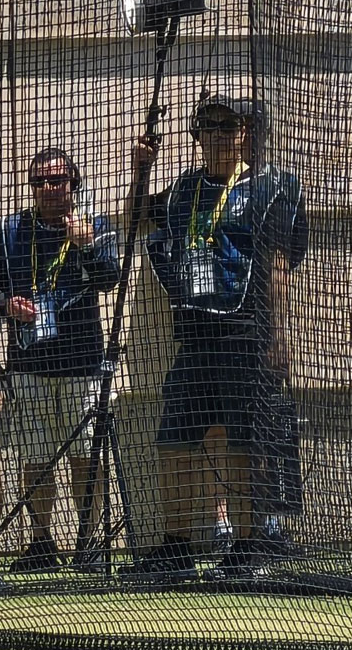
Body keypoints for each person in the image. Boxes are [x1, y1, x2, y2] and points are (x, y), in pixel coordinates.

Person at [127, 93, 308, 580]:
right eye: (205, 127)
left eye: (226, 126)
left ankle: (249, 545)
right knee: (174, 442)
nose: (215, 136)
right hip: (194, 334)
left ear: (248, 133)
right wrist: (142, 168)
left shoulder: (274, 188)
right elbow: (137, 218)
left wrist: (278, 335)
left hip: (244, 334)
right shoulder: (186, 188)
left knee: (243, 443)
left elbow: (279, 266)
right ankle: (176, 545)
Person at [0, 147, 119, 572]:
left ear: (74, 183)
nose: (49, 189)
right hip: (29, 364)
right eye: (40, 182)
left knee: (84, 455)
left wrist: (88, 246)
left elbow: (110, 278)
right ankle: (41, 541)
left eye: (57, 180)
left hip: (82, 362)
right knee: (35, 457)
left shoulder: (94, 225)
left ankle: (88, 541)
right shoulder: (10, 231)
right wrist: (8, 306)